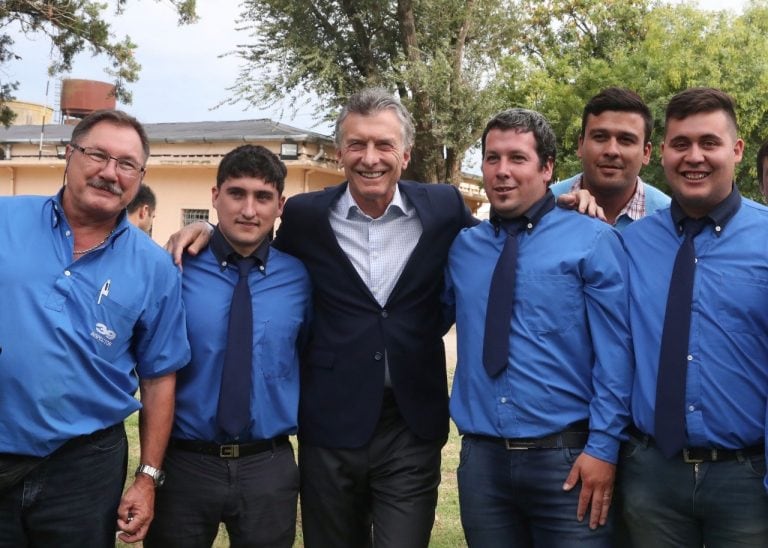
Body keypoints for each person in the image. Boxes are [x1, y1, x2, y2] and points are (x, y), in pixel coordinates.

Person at [165, 88, 602, 547]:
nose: (369, 158)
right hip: (330, 422)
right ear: (340, 153)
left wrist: (557, 207)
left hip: (410, 425)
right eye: (357, 144)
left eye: (383, 145)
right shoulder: (306, 218)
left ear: (405, 154)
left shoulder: (444, 209)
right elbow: (253, 242)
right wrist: (207, 229)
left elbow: (504, 240)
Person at [0, 110, 191, 546]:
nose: (110, 172)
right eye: (97, 155)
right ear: (69, 156)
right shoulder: (4, 220)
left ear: (139, 177)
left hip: (84, 467)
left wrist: (146, 478)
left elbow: (159, 378)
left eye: (126, 164)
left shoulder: (155, 268)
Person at [444, 108, 632, 547]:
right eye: (492, 158)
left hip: (567, 462)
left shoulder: (593, 240)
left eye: (517, 158)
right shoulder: (463, 248)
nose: (502, 172)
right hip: (481, 462)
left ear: (547, 168)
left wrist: (603, 448)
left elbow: (617, 357)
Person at [619, 87, 768, 547]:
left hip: (746, 478)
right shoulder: (626, 244)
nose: (694, 157)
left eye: (709, 142)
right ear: (661, 152)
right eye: (680, 143)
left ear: (737, 151)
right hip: (651, 476)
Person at [144, 145, 310, 547]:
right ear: (215, 196)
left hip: (268, 466)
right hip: (185, 463)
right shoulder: (175, 269)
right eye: (237, 194)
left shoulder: (301, 278)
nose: (249, 210)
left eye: (263, 197)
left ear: (280, 205)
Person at [550, 87, 670, 229]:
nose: (611, 151)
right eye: (600, 137)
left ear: (646, 153)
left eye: (626, 140)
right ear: (581, 145)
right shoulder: (544, 207)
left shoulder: (670, 220)